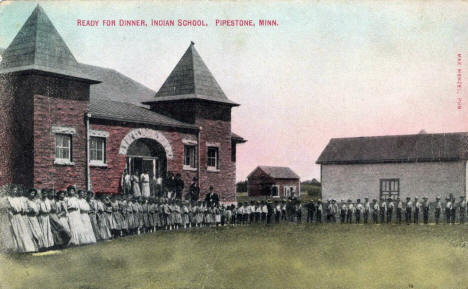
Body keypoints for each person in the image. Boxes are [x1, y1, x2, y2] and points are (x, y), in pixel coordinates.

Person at [8, 186, 37, 252]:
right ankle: (18, 248)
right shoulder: (8, 198)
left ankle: (26, 248)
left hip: (19, 216)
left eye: (15, 190)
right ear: (10, 190)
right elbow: (8, 208)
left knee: (23, 231)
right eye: (13, 190)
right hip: (12, 217)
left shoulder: (18, 199)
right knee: (15, 231)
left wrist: (22, 210)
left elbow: (22, 208)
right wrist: (11, 210)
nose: (14, 191)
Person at [0, 187, 19, 252]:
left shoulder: (6, 199)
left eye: (2, 191)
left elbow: (10, 207)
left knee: (6, 230)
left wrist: (10, 209)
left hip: (5, 216)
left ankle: (7, 247)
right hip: (1, 216)